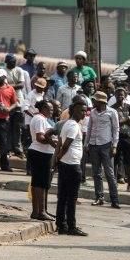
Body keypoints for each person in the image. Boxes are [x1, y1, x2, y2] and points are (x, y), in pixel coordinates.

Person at [55, 101, 89, 236]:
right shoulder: (73, 125)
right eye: (81, 110)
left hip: (66, 163)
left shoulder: (67, 124)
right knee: (71, 198)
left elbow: (60, 142)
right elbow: (65, 145)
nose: (84, 113)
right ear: (74, 111)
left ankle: (61, 225)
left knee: (63, 196)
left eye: (85, 111)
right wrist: (58, 158)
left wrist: (58, 159)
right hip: (72, 165)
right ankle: (71, 226)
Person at [86, 91, 120, 208]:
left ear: (100, 102)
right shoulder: (93, 112)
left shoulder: (112, 112)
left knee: (109, 173)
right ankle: (99, 197)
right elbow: (89, 128)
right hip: (93, 144)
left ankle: (114, 199)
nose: (93, 102)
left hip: (106, 145)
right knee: (96, 173)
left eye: (95, 100)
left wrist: (114, 146)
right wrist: (86, 144)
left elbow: (116, 129)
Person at [28, 100, 56, 220]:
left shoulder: (41, 119)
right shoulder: (40, 119)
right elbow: (40, 138)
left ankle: (37, 211)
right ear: (44, 108)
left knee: (38, 182)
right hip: (41, 153)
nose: (52, 111)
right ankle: (41, 211)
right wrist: (53, 142)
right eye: (50, 109)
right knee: (41, 183)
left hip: (41, 153)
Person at [111, 87, 130, 192]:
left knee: (128, 162)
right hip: (116, 137)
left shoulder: (129, 107)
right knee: (115, 161)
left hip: (127, 136)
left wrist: (126, 121)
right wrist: (126, 120)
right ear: (115, 96)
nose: (120, 96)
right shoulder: (112, 109)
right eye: (118, 94)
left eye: (122, 94)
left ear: (125, 96)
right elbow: (114, 124)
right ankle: (114, 182)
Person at [4, 53, 28, 159]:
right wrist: (13, 86)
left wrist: (10, 86)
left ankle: (17, 149)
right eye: (11, 61)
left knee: (18, 127)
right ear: (7, 62)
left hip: (18, 100)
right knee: (8, 126)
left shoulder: (19, 70)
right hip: (7, 101)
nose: (13, 63)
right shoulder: (3, 71)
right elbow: (4, 86)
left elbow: (21, 85)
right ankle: (8, 149)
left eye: (14, 61)